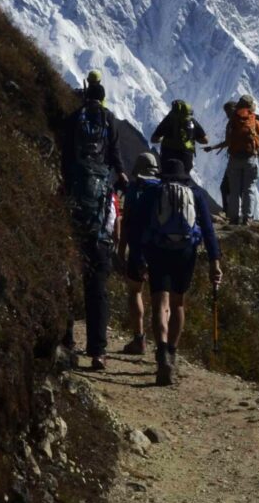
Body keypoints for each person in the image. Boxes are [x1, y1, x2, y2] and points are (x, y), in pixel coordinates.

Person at [124, 158, 222, 387]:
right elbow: (208, 229)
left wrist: (137, 256)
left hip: (158, 250)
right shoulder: (195, 194)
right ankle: (173, 352)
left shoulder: (153, 191)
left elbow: (136, 227)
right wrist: (214, 261)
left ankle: (161, 354)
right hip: (186, 253)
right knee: (178, 304)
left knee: (160, 302)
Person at [60, 71, 125, 371]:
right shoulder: (110, 120)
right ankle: (98, 351)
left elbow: (63, 153)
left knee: (68, 278)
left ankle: (65, 340)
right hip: (100, 214)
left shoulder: (73, 119)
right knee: (97, 285)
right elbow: (115, 157)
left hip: (74, 207)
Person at [116, 150, 162, 355]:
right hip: (161, 249)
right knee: (162, 298)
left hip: (137, 249)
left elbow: (126, 223)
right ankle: (164, 347)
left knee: (135, 291)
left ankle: (139, 339)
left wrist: (120, 250)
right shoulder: (162, 189)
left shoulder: (134, 189)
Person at [207, 95, 259, 225]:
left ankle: (233, 218)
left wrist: (214, 147)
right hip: (250, 159)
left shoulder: (232, 122)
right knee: (249, 188)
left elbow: (228, 141)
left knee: (233, 189)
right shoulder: (255, 121)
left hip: (234, 159)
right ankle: (247, 218)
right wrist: (257, 152)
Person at [150, 100, 209, 174]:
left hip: (168, 156)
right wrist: (192, 137)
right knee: (184, 179)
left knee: (166, 178)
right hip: (185, 157)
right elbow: (205, 140)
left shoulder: (168, 120)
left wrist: (163, 138)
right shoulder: (192, 121)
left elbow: (154, 139)